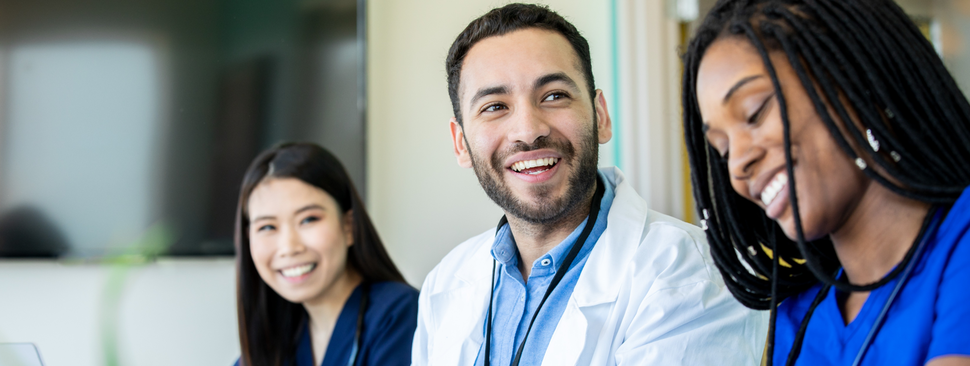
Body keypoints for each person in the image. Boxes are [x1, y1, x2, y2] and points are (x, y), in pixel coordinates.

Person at [412, 4, 767, 365]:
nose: (528, 130)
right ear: (461, 144)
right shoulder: (445, 284)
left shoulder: (691, 274)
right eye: (494, 106)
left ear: (600, 116)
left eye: (554, 96)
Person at [683, 0, 970, 365]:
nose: (738, 163)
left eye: (755, 112)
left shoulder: (961, 244)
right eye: (722, 149)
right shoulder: (799, 320)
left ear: (855, 81)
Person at [233, 142, 417, 366]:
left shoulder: (398, 315)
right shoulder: (276, 338)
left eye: (308, 219)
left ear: (349, 227)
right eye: (267, 227)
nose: (289, 247)